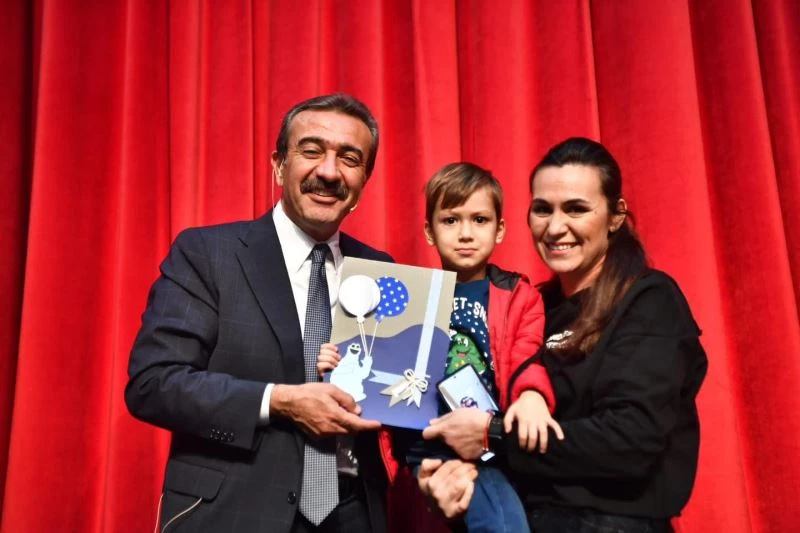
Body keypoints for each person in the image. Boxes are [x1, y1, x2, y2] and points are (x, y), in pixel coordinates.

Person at [125, 93, 394, 533]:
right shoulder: (208, 254)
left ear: (364, 179)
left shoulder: (381, 271)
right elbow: (154, 384)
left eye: (349, 159)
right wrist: (280, 401)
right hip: (233, 512)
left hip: (353, 515)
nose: (329, 172)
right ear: (279, 166)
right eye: (312, 151)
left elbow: (396, 397)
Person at [418, 138, 708, 533]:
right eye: (543, 209)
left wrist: (491, 436)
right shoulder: (532, 307)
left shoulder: (648, 299)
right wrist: (451, 483)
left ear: (615, 216)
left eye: (576, 209)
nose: (555, 227)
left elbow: (630, 441)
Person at [320, 162, 563, 532]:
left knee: (507, 518)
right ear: (429, 232)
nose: (465, 233)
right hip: (426, 444)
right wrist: (336, 365)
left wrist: (532, 395)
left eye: (479, 220)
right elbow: (372, 360)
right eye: (450, 220)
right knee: (500, 521)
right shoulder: (411, 295)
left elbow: (527, 356)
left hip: (487, 444)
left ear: (499, 229)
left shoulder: (519, 296)